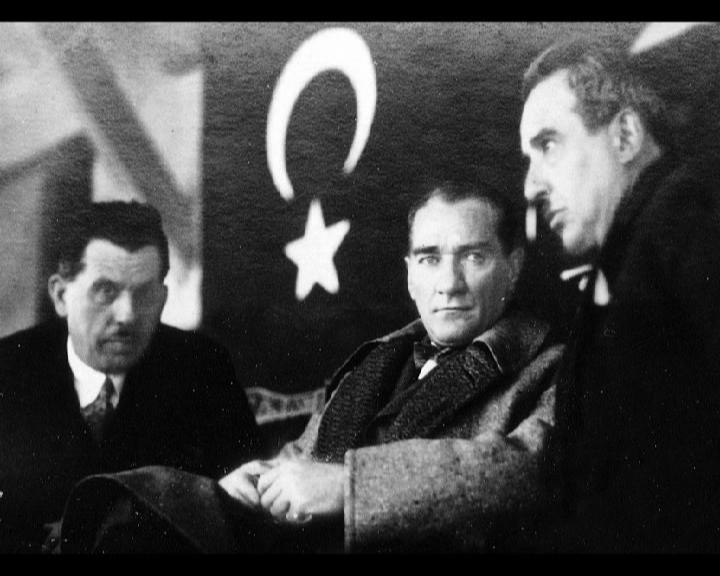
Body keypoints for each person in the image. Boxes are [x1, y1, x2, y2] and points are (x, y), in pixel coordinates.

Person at [59, 179, 564, 553]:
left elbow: (529, 470)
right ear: (411, 274)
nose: (449, 283)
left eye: (473, 257)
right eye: (430, 259)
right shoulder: (378, 363)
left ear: (513, 266)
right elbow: (304, 460)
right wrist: (258, 481)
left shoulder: (554, 368)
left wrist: (350, 487)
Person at [519, 36, 720, 551]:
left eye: (548, 145)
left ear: (625, 135)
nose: (530, 187)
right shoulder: (635, 250)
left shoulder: (686, 219)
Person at [0, 201, 261, 553]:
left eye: (144, 293)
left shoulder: (204, 367)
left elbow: (244, 505)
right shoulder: (8, 371)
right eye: (105, 291)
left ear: (163, 297)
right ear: (61, 295)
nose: (127, 315)